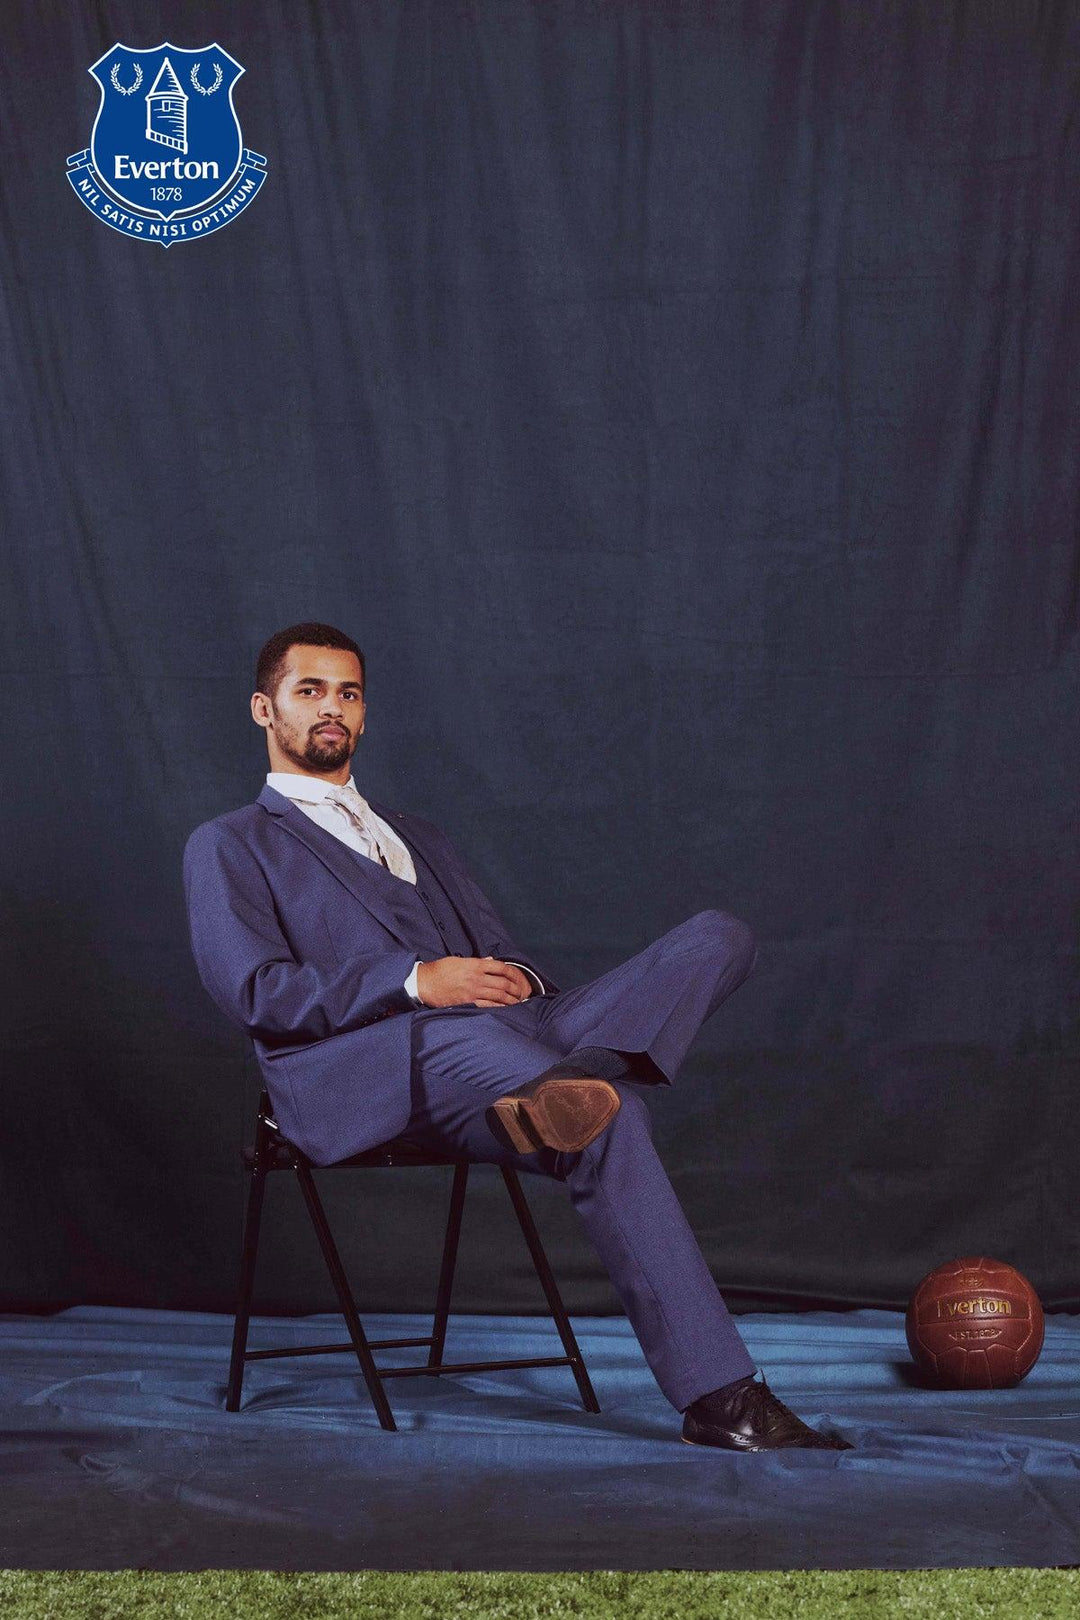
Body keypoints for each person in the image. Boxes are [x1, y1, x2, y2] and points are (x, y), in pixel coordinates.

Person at [183, 621, 852, 1453]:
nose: (332, 708)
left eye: (348, 693)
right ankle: (723, 1399)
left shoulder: (419, 834)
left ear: (364, 713)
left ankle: (560, 1085)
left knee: (719, 938)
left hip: (512, 1031)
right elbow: (256, 993)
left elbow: (502, 953)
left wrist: (520, 981)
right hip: (389, 1059)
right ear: (264, 709)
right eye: (309, 690)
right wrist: (416, 981)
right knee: (611, 1118)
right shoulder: (230, 843)